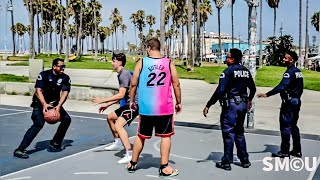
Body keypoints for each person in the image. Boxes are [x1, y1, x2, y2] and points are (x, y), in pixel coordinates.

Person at [126, 38, 182, 177]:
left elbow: (133, 84)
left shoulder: (142, 62)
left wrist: (132, 100)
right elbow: (176, 84)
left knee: (141, 135)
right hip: (164, 107)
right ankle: (164, 167)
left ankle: (133, 163)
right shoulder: (169, 62)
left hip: (146, 107)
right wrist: (179, 102)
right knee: (166, 136)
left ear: (149, 48)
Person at [203, 48, 256, 171]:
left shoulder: (227, 71)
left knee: (228, 133)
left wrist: (209, 104)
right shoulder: (246, 71)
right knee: (239, 132)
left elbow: (220, 90)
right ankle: (245, 160)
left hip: (231, 106)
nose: (225, 59)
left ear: (232, 59)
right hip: (242, 105)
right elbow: (252, 88)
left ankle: (226, 161)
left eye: (227, 57)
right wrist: (249, 100)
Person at [13, 58, 71, 159]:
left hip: (54, 103)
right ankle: (20, 149)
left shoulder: (65, 78)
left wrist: (58, 106)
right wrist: (44, 104)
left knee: (66, 119)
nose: (63, 69)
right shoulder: (44, 75)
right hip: (39, 104)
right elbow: (38, 91)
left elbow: (65, 93)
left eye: (64, 67)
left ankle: (55, 143)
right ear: (54, 66)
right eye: (61, 67)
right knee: (39, 123)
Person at [92, 53, 138, 164]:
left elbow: (121, 95)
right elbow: (123, 94)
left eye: (113, 61)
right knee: (110, 117)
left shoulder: (124, 74)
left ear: (120, 62)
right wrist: (107, 105)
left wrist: (102, 100)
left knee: (118, 125)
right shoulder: (122, 74)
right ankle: (118, 143)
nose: (112, 63)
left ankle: (129, 154)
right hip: (128, 103)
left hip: (134, 105)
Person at [257, 50, 303, 158]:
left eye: (286, 58)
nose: (283, 59)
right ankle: (297, 150)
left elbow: (282, 86)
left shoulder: (289, 72)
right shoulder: (298, 72)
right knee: (293, 126)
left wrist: (267, 94)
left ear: (291, 60)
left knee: (285, 127)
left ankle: (284, 151)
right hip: (296, 101)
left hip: (289, 103)